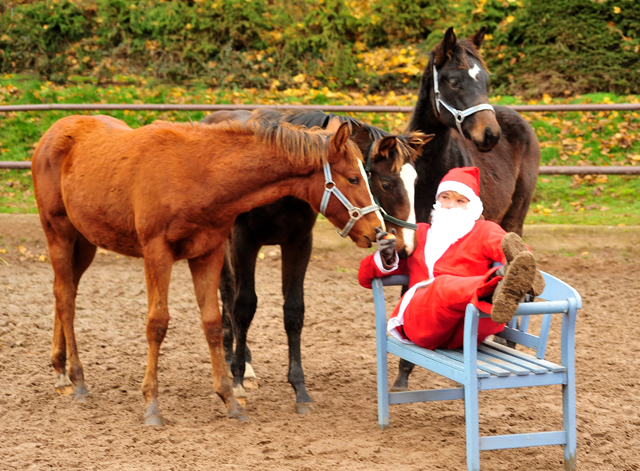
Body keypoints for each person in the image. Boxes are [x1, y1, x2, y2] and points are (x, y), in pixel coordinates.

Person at [358, 166, 545, 350]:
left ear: (472, 206)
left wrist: (519, 264)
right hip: (424, 321)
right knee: (442, 285)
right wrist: (386, 256)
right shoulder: (418, 233)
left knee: (487, 305)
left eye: (460, 200)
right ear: (437, 200)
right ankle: (493, 286)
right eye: (445, 197)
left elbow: (510, 249)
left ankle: (502, 287)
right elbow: (364, 278)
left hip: (468, 324)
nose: (450, 205)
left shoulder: (483, 231)